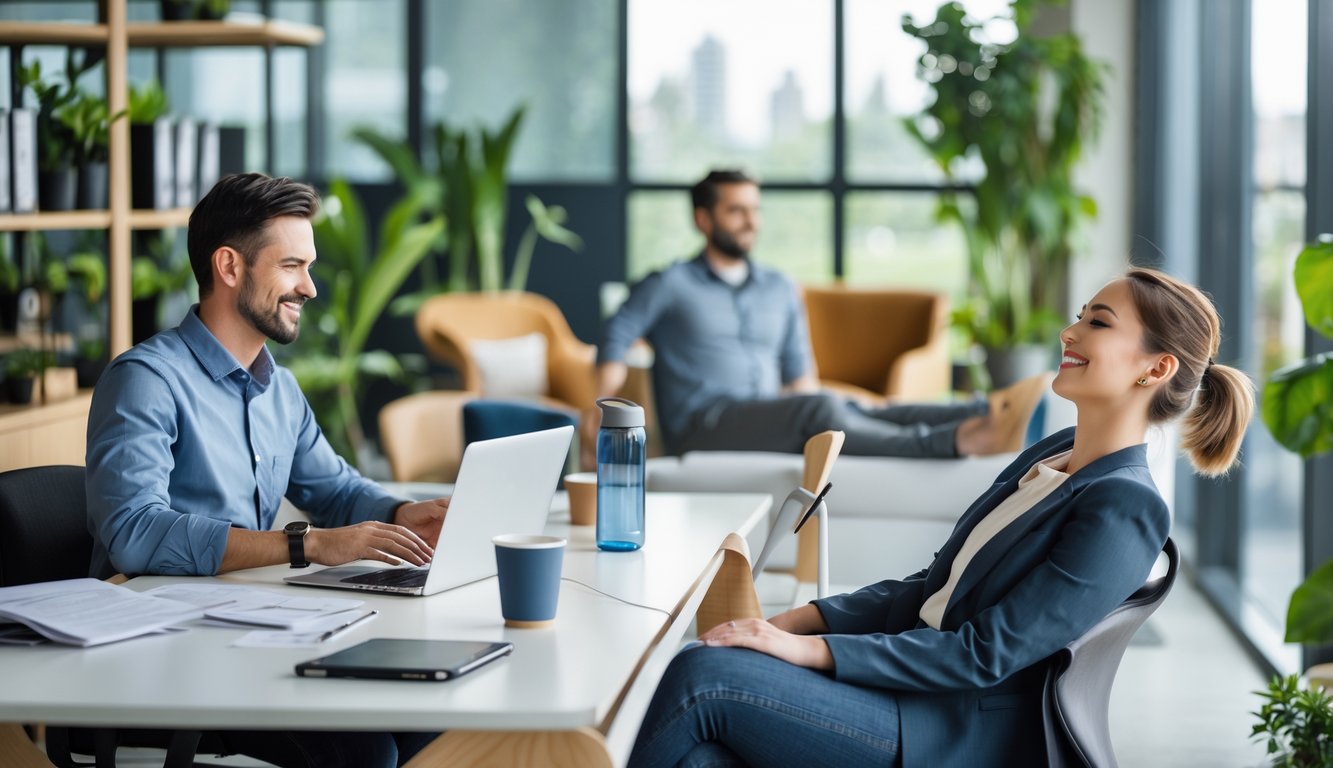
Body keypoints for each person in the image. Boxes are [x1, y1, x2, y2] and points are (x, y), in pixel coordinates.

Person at [626, 267, 1255, 767]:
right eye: (1077, 316)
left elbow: (985, 654)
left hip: (948, 730)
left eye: (1098, 322)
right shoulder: (1048, 457)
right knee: (703, 757)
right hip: (909, 691)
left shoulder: (1126, 504)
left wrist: (810, 651)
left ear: (1157, 367)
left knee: (702, 677)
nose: (1070, 332)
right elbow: (931, 590)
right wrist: (798, 619)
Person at [85, 173, 444, 768]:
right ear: (230, 267)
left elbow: (332, 488)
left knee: (432, 718)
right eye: (292, 266)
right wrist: (305, 545)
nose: (309, 287)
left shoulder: (279, 389)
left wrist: (405, 515)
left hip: (255, 637)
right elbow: (134, 532)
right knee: (369, 751)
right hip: (166, 661)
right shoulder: (146, 381)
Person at [594, 169, 1045, 459]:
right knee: (823, 405)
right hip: (704, 425)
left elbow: (798, 377)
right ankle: (952, 440)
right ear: (703, 220)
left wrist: (829, 419)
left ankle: (988, 408)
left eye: (755, 210)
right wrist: (599, 411)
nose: (750, 221)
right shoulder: (670, 283)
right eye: (735, 211)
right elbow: (617, 337)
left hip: (769, 414)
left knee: (858, 405)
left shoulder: (778, 287)